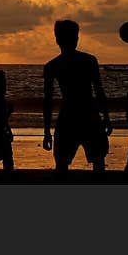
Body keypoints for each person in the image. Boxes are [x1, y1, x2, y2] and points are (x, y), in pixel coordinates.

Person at [43, 20, 112, 174]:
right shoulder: (89, 60)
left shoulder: (52, 65)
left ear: (57, 40)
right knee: (98, 160)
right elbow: (99, 91)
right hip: (89, 115)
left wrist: (47, 131)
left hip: (69, 116)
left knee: (62, 163)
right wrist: (106, 117)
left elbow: (48, 101)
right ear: (76, 39)